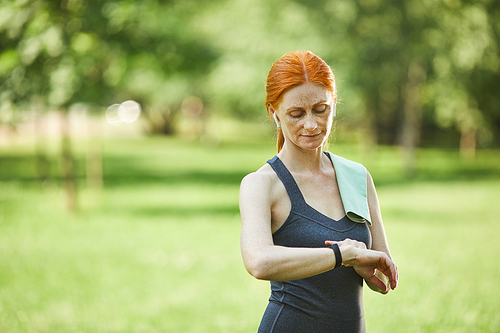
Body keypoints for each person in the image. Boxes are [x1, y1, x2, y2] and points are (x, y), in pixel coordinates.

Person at [239, 51, 398, 332]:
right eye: (296, 114)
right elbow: (259, 263)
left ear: (334, 104)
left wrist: (365, 267)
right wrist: (341, 255)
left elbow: (382, 277)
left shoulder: (357, 176)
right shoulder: (261, 184)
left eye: (321, 109)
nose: (311, 124)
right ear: (274, 113)